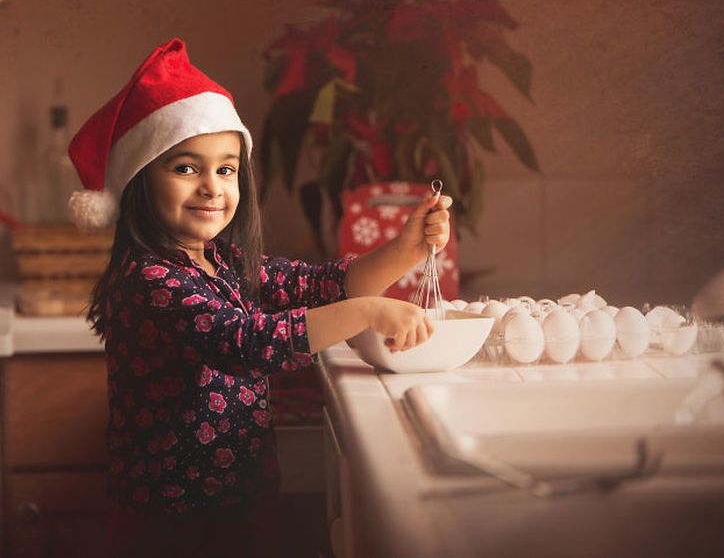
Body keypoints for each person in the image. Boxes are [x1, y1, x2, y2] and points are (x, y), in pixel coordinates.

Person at [66, 38, 451, 557]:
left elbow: (321, 285)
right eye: (185, 168)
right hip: (172, 522)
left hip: (237, 497)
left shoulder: (219, 259)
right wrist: (366, 312)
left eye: (225, 169)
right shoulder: (150, 281)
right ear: (138, 180)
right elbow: (247, 344)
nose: (211, 187)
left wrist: (405, 249)